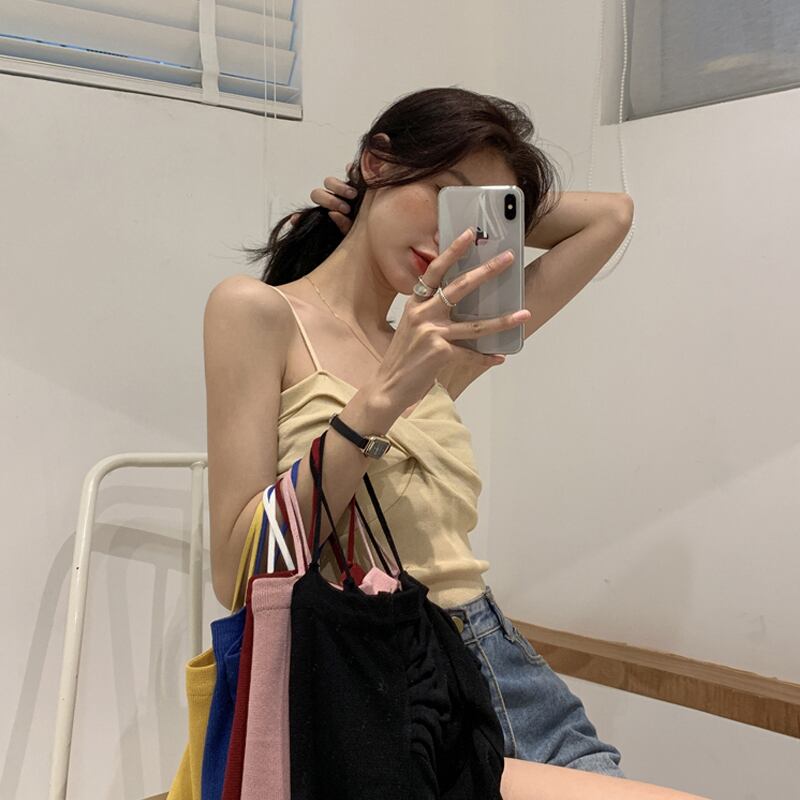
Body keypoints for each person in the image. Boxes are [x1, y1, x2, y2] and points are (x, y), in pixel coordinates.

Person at [204, 86, 706, 799]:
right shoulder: (260, 313)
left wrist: (489, 208)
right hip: (377, 678)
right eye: (445, 196)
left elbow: (611, 216)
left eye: (476, 218)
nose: (454, 239)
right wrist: (380, 400)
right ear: (377, 162)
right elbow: (237, 571)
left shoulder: (442, 340)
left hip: (500, 662)